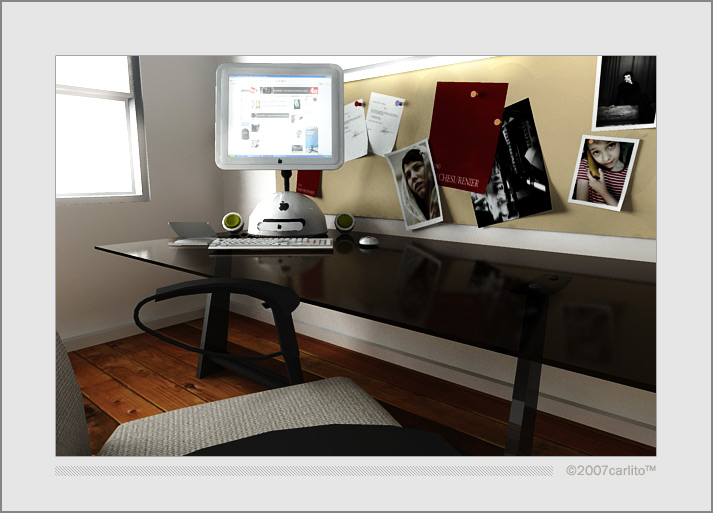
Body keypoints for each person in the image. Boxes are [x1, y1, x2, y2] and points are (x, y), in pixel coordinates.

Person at [575, 139, 629, 206]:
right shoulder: (586, 165)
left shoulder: (630, 173)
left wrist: (603, 192)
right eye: (596, 152)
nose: (606, 158)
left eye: (611, 145)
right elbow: (581, 205)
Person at [399, 148, 441, 224]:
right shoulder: (417, 220)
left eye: (417, 167)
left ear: (428, 166)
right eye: (408, 175)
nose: (413, 177)